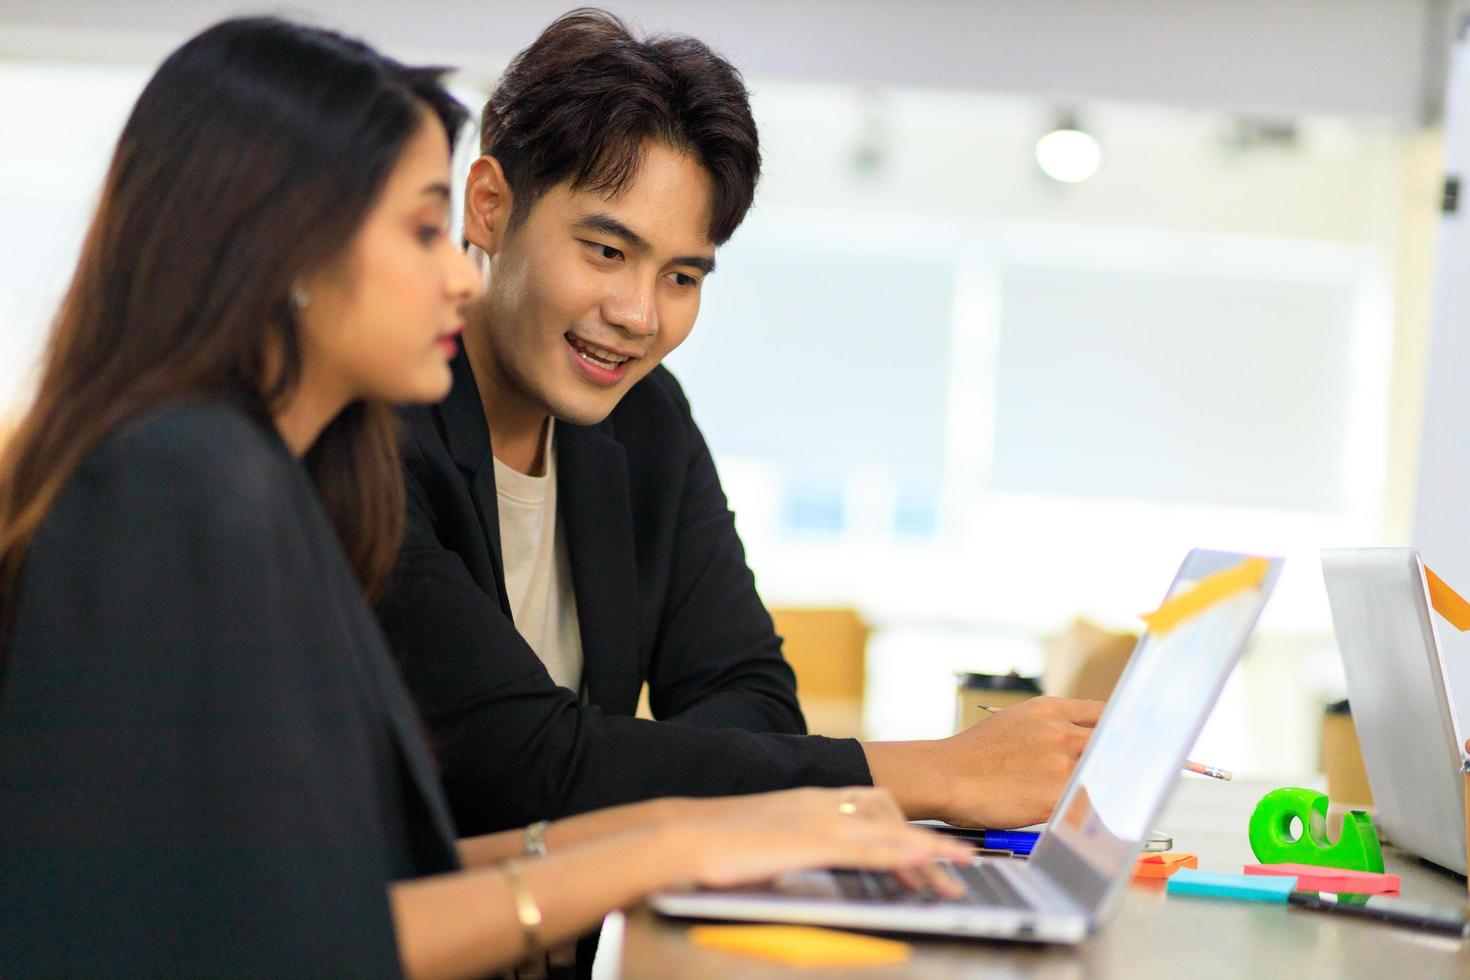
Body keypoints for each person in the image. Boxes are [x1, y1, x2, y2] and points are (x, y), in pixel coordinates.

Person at [0, 18, 973, 977]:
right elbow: (290, 938)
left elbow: (347, 878)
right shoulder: (190, 479)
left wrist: (668, 838)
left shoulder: (250, 474)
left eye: (680, 273)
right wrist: (673, 841)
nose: (454, 281)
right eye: (424, 230)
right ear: (283, 244)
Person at [377, 7, 1103, 839]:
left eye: (682, 275)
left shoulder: (644, 419)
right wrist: (932, 772)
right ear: (490, 206)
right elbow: (521, 759)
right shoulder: (377, 439)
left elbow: (753, 695)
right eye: (607, 252)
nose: (639, 315)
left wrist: (616, 770)